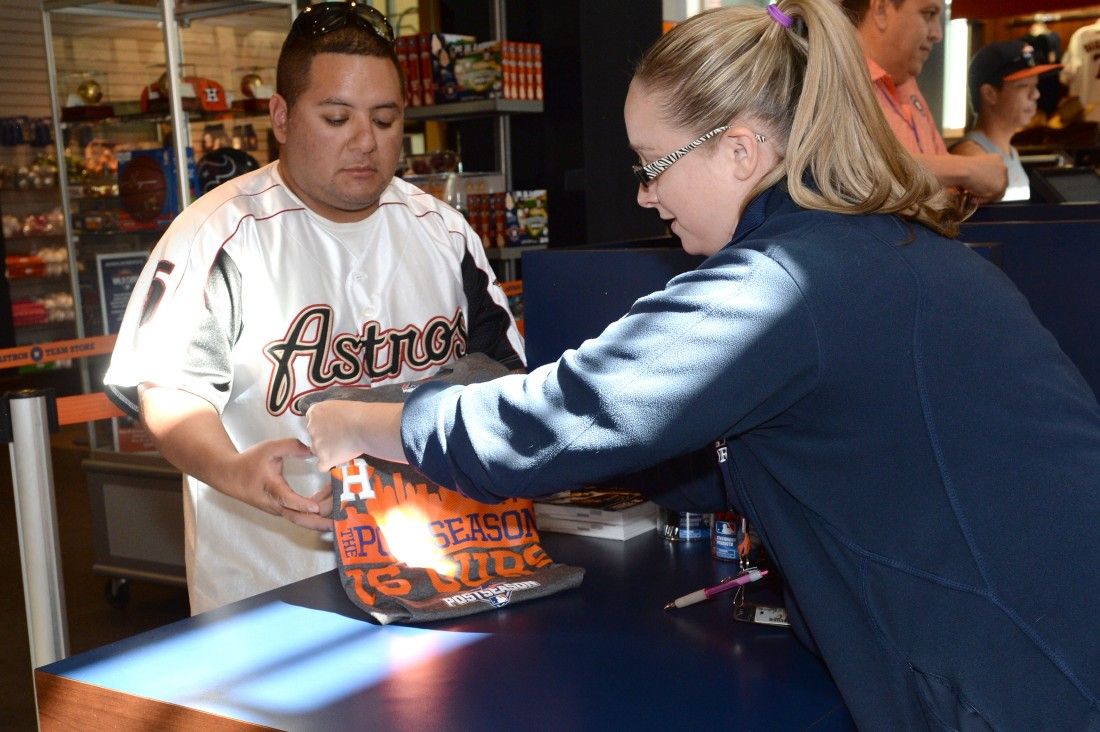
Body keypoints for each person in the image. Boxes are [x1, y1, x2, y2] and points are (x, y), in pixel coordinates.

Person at [304, 1, 1100, 728]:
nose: (647, 198)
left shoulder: (787, 284)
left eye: (652, 164)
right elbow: (788, 448)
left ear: (741, 150)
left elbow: (549, 423)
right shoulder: (883, 249)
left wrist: (353, 420)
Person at [103, 1, 524, 614]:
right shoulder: (220, 234)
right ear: (281, 114)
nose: (365, 142)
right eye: (336, 118)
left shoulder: (444, 231)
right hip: (274, 589)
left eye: (385, 120)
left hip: (437, 568)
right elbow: (171, 393)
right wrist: (234, 469)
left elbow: (503, 377)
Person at [840, 0, 1008, 204]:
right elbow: (854, 171)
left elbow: (946, 186)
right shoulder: (834, 81)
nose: (938, 34)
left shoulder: (906, 82)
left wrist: (968, 160)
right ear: (881, 9)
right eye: (928, 14)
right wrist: (966, 169)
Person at [952, 40, 1062, 203]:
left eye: (1035, 85)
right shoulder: (970, 155)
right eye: (1024, 86)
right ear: (990, 94)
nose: (1036, 94)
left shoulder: (1009, 151)